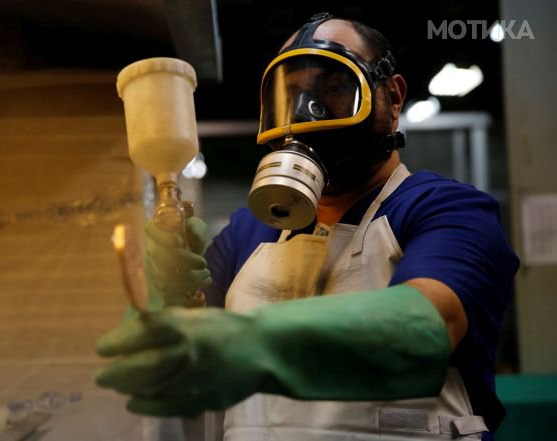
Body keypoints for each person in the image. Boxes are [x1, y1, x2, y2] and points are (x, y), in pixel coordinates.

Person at [96, 12, 519, 441]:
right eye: (289, 95)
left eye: (334, 88)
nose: (306, 114)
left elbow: (429, 324)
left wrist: (250, 342)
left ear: (393, 97)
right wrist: (167, 291)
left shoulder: (447, 209)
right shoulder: (250, 230)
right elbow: (173, 348)